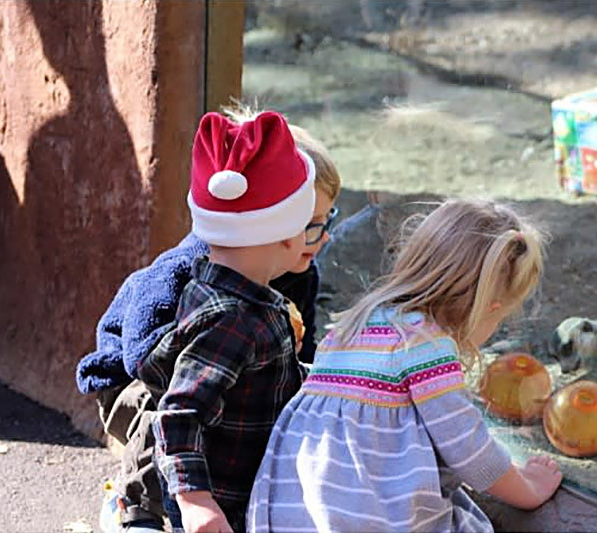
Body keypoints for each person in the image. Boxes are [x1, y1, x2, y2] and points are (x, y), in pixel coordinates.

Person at [77, 108, 341, 532]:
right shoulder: (220, 306)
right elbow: (175, 402)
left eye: (328, 221)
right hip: (131, 374)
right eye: (312, 225)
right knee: (165, 416)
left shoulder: (283, 279)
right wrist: (195, 498)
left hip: (221, 404)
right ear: (286, 231)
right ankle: (137, 503)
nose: (323, 237)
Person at [246, 199, 563, 532]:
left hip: (291, 516)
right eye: (500, 318)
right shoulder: (424, 345)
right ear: (490, 307)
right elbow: (469, 449)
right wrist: (528, 489)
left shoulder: (353, 325)